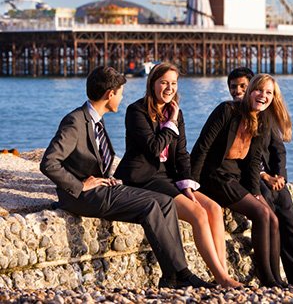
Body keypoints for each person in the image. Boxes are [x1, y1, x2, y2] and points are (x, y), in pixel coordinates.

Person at [40, 66, 213, 289]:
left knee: (165, 202)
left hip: (102, 187)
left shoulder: (95, 120)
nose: (122, 98)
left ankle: (173, 275)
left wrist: (104, 178)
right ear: (110, 94)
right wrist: (80, 185)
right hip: (80, 196)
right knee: (151, 204)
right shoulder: (76, 121)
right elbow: (49, 163)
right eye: (120, 92)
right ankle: (181, 274)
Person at [114, 63, 241, 288]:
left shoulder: (175, 112)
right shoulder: (137, 111)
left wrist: (187, 186)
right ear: (152, 83)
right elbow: (154, 148)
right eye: (163, 82)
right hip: (143, 178)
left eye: (173, 83)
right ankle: (223, 278)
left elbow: (181, 153)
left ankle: (222, 273)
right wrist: (170, 123)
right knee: (198, 214)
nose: (169, 87)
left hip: (168, 177)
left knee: (214, 209)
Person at [191, 73, 289, 288]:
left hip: (235, 177)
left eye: (269, 93)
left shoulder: (262, 119)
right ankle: (267, 279)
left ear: (273, 97)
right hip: (214, 175)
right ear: (251, 90)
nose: (263, 95)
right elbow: (202, 146)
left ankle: (276, 278)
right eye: (259, 90)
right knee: (261, 213)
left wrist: (255, 192)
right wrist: (192, 184)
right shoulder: (227, 110)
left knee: (272, 216)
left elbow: (253, 161)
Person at [227, 67, 293, 289]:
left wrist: (280, 176)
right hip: (246, 177)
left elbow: (278, 151)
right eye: (233, 87)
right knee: (267, 209)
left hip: (268, 177)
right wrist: (263, 176)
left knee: (289, 216)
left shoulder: (265, 114)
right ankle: (271, 276)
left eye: (243, 86)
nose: (238, 91)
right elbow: (234, 157)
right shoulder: (230, 113)